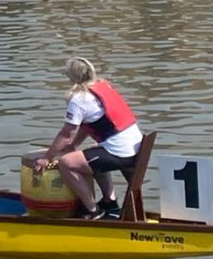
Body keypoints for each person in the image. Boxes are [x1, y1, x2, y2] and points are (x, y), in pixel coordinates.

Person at [33, 58, 143, 219]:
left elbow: (67, 133)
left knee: (67, 164)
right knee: (92, 153)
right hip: (137, 148)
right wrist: (74, 145)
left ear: (71, 77)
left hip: (122, 153)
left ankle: (92, 210)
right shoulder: (103, 86)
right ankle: (109, 203)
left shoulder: (79, 99)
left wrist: (46, 158)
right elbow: (87, 125)